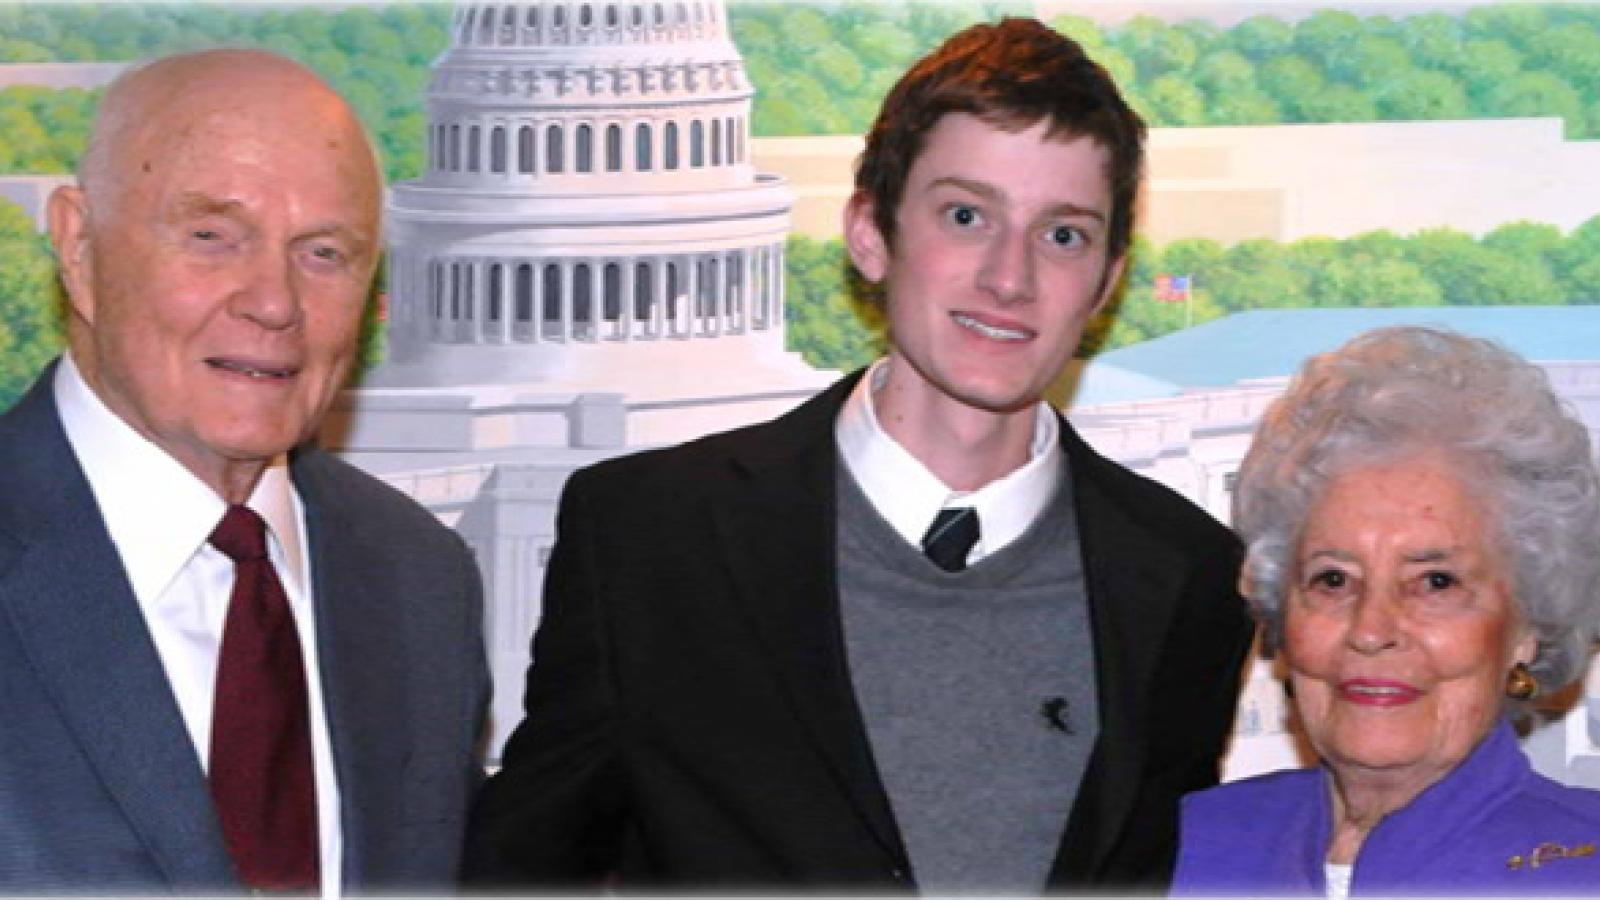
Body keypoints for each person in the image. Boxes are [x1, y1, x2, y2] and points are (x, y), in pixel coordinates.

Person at [465, 18, 1252, 893]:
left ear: (1106, 282)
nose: (1009, 277)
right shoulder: (651, 540)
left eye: (1062, 235)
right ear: (871, 233)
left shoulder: (1187, 577)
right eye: (966, 215)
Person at [0, 50, 488, 892]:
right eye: (211, 236)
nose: (274, 302)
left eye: (325, 253)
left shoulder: (418, 576)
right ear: (79, 246)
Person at [1172, 326, 1600, 896]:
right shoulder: (1169, 849)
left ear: (1525, 626)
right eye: (1332, 580)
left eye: (1435, 582)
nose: (1371, 631)